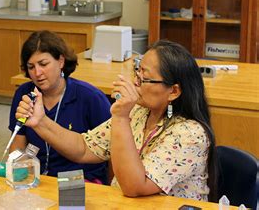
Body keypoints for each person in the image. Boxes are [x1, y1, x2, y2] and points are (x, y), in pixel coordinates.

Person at [15, 40, 217, 201]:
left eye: (143, 78)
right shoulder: (139, 112)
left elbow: (134, 187)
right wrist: (40, 121)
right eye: (137, 72)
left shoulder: (189, 133)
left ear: (173, 91)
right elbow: (85, 148)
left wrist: (120, 117)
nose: (135, 82)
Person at [9, 30, 111, 183]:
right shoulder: (24, 94)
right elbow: (17, 145)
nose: (37, 73)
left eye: (43, 64)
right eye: (31, 67)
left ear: (61, 61)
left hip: (79, 178)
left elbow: (114, 152)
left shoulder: (91, 98)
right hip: (39, 175)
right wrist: (16, 173)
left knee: (67, 206)